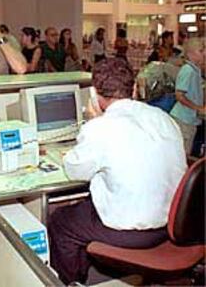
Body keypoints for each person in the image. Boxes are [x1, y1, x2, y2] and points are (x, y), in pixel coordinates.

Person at [48, 58, 187, 285]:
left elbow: (75, 171)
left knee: (61, 221)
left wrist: (92, 123)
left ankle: (70, 282)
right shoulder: (164, 119)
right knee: (85, 209)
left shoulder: (100, 128)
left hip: (130, 231)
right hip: (171, 224)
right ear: (133, 88)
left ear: (94, 94)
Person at [170, 38, 206, 155]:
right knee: (183, 153)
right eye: (201, 51)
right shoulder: (188, 70)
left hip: (190, 119)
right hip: (183, 119)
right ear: (190, 54)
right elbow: (179, 95)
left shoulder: (196, 70)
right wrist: (197, 108)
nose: (204, 53)